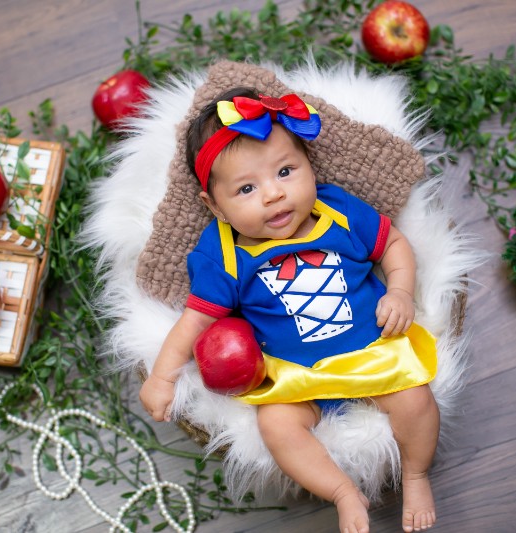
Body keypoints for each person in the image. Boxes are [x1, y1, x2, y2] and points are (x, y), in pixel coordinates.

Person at [139, 87, 439, 533]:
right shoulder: (223, 254)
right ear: (214, 206)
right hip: (297, 378)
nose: (273, 195)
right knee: (277, 428)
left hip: (374, 354)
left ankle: (415, 474)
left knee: (416, 400)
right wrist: (162, 377)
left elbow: (394, 242)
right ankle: (341, 491)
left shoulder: (336, 211)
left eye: (285, 171)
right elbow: (195, 320)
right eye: (246, 188)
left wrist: (399, 291)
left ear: (309, 167)